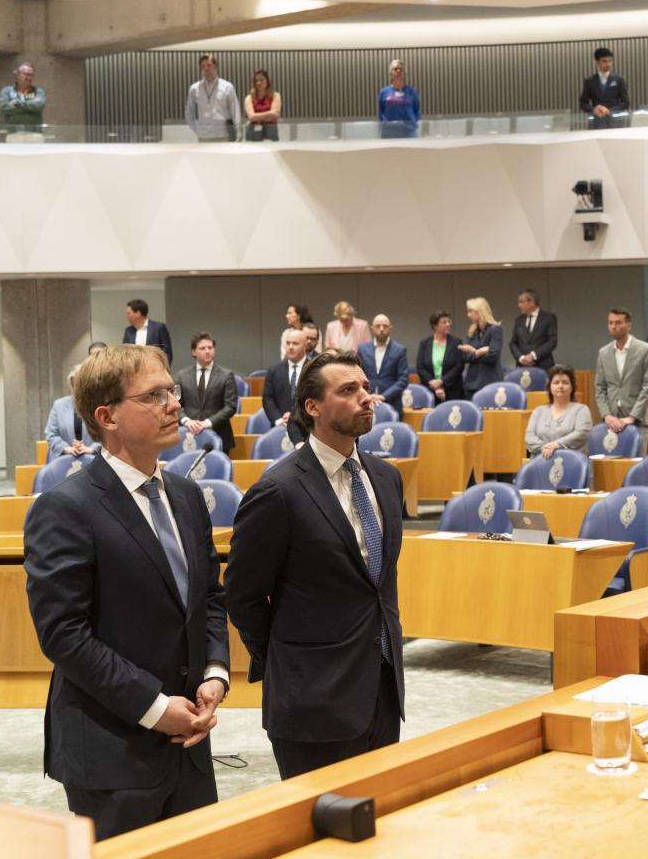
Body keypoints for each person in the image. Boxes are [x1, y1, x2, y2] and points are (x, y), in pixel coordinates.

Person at [24, 345, 228, 839]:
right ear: (106, 415)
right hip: (112, 749)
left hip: (191, 743)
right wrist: (157, 710)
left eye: (172, 391)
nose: (174, 405)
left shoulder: (184, 495)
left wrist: (215, 674)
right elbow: (64, 636)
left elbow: (209, 598)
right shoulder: (65, 508)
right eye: (154, 395)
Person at [226, 349, 405, 780]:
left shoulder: (386, 477)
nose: (366, 397)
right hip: (311, 701)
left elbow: (378, 586)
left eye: (365, 387)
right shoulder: (278, 490)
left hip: (381, 687)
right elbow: (242, 594)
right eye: (348, 390)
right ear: (313, 407)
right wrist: (287, 661)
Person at [594, 307, 648, 434]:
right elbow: (600, 388)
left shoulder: (645, 350)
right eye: (610, 323)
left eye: (618, 322)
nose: (613, 326)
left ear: (628, 326)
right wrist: (606, 415)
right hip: (612, 421)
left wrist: (632, 417)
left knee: (637, 455)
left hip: (638, 420)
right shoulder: (603, 352)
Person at [177, 333, 239, 452]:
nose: (207, 351)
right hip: (189, 434)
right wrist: (186, 421)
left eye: (210, 348)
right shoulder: (181, 376)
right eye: (202, 348)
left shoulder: (226, 375)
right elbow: (175, 405)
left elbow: (230, 406)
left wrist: (208, 422)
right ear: (193, 352)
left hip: (219, 433)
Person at [524, 365, 592, 460]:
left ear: (572, 387)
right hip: (540, 462)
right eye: (556, 382)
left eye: (565, 382)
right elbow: (529, 437)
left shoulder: (581, 410)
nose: (560, 386)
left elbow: (581, 434)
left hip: (572, 463)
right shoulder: (538, 411)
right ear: (549, 387)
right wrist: (545, 447)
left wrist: (556, 445)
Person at [263, 329, 309, 444]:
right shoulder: (274, 370)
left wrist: (296, 418)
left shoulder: (314, 369)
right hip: (279, 427)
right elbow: (268, 398)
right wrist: (279, 420)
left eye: (295, 343)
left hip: (307, 429)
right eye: (288, 343)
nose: (290, 347)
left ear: (305, 346)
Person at [184, 54, 240, 142]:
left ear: (215, 66)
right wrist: (197, 130)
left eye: (209, 65)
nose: (206, 68)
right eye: (203, 66)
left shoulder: (227, 87)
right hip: (204, 136)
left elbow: (235, 111)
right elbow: (189, 113)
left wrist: (238, 131)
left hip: (223, 135)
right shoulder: (194, 88)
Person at [45, 367, 99, 457]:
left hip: (93, 458)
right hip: (64, 460)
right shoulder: (58, 405)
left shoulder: (98, 405)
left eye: (83, 384)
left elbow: (106, 434)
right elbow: (51, 434)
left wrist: (91, 449)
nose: (79, 388)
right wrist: (67, 448)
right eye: (76, 384)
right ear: (72, 384)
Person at [357, 315, 409, 406]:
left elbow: (403, 380)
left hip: (391, 402)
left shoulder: (400, 350)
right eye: (378, 326)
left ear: (390, 328)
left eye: (385, 326)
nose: (381, 329)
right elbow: (358, 376)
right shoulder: (362, 349)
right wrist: (368, 395)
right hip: (366, 401)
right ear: (372, 328)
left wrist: (383, 396)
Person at [417, 311, 467, 403]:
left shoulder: (456, 342)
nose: (448, 324)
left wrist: (441, 382)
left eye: (449, 322)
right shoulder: (425, 344)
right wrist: (434, 384)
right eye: (444, 322)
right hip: (430, 391)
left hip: (453, 390)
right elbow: (421, 368)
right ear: (435, 326)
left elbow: (459, 366)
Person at [458, 297, 503, 396]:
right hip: (472, 383)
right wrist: (479, 352)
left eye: (470, 311)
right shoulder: (472, 331)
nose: (468, 315)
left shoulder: (495, 329)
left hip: (490, 381)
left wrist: (473, 352)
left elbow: (493, 356)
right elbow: (464, 356)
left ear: (480, 311)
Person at [579, 47, 629, 130]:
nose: (608, 64)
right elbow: (583, 103)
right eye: (604, 61)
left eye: (610, 61)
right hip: (596, 122)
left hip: (616, 122)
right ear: (597, 62)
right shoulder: (589, 81)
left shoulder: (619, 79)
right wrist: (594, 109)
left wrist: (609, 110)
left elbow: (625, 102)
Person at [510, 289, 558, 368]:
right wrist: (521, 358)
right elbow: (513, 343)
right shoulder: (518, 320)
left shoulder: (548, 318)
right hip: (522, 367)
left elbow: (552, 341)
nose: (519, 305)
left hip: (543, 366)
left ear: (532, 302)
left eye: (521, 302)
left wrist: (533, 355)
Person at [377, 59, 421, 139]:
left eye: (401, 69)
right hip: (389, 132)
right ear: (390, 72)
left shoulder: (412, 92)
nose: (398, 71)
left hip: (408, 132)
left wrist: (410, 125)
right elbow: (381, 112)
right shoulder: (384, 92)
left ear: (404, 73)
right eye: (395, 69)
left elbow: (417, 111)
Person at [0, 62, 47, 134]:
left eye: (31, 75)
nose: (29, 78)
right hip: (14, 134)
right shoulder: (6, 91)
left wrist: (17, 103)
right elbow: (4, 108)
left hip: (34, 134)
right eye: (26, 74)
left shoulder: (39, 91)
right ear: (17, 75)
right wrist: (30, 107)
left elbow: (39, 106)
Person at [123, 299, 173, 365]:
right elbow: (124, 353)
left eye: (129, 313)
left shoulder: (159, 327)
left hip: (155, 370)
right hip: (134, 371)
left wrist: (162, 370)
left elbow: (167, 352)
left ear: (138, 313)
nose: (127, 316)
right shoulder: (128, 331)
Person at [242, 69, 281, 142]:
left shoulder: (275, 96)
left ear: (267, 81)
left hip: (271, 131)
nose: (259, 83)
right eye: (256, 80)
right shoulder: (249, 98)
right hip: (253, 131)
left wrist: (255, 118)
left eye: (261, 80)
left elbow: (275, 115)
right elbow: (251, 116)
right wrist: (269, 114)